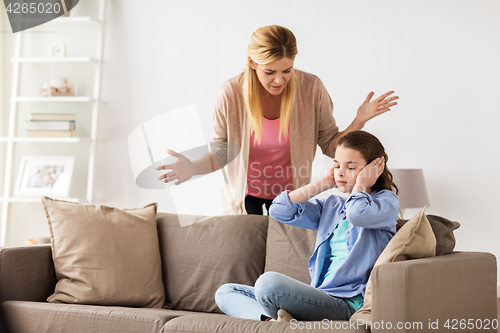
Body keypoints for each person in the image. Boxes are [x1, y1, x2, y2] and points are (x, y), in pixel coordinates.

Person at [156, 25, 398, 215]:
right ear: (252, 63)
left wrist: (358, 122)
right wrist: (192, 168)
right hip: (244, 196)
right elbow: (221, 152)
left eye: (287, 70)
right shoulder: (230, 93)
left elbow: (329, 145)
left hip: (291, 195)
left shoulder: (311, 88)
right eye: (269, 72)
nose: (279, 81)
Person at [214, 131, 399, 322]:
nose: (340, 172)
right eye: (336, 166)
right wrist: (324, 183)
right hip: (320, 295)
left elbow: (357, 214)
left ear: (374, 168)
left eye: (350, 167)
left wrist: (361, 184)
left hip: (348, 303)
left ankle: (281, 320)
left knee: (268, 284)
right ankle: (272, 322)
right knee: (226, 291)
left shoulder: (386, 202)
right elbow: (279, 210)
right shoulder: (332, 205)